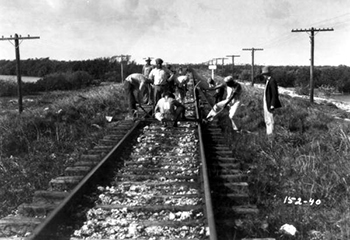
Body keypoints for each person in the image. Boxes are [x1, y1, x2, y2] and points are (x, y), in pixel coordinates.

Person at [261, 66, 282, 136]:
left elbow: (274, 94)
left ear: (266, 74)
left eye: (264, 74)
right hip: (266, 101)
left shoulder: (272, 81)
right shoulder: (268, 81)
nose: (263, 76)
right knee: (266, 118)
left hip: (269, 103)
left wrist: (272, 104)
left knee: (270, 118)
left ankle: (271, 134)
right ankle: (268, 133)